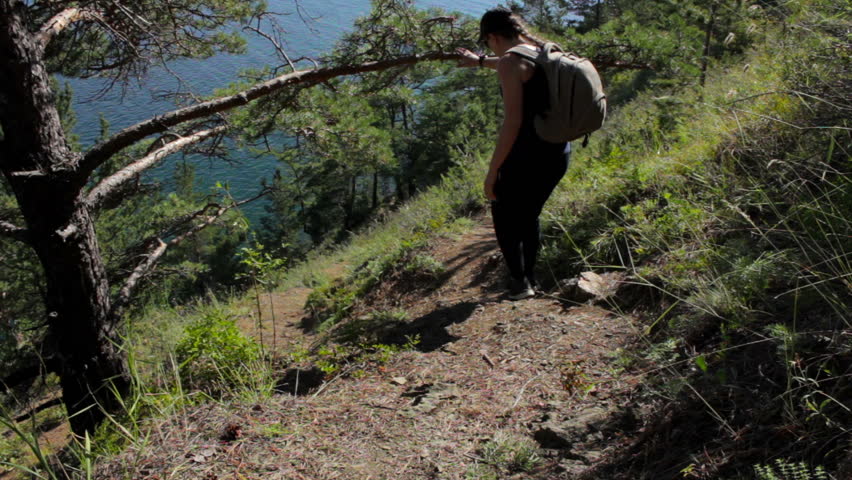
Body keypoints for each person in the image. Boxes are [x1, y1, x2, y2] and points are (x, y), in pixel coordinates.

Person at [457, 7, 571, 300]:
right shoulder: (544, 49)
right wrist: (481, 62)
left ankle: (520, 283)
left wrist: (493, 171)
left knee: (504, 215)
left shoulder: (510, 62)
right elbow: (517, 66)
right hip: (558, 151)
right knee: (530, 214)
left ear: (493, 37)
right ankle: (531, 279)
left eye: (486, 44)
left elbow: (513, 122)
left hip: (526, 154)